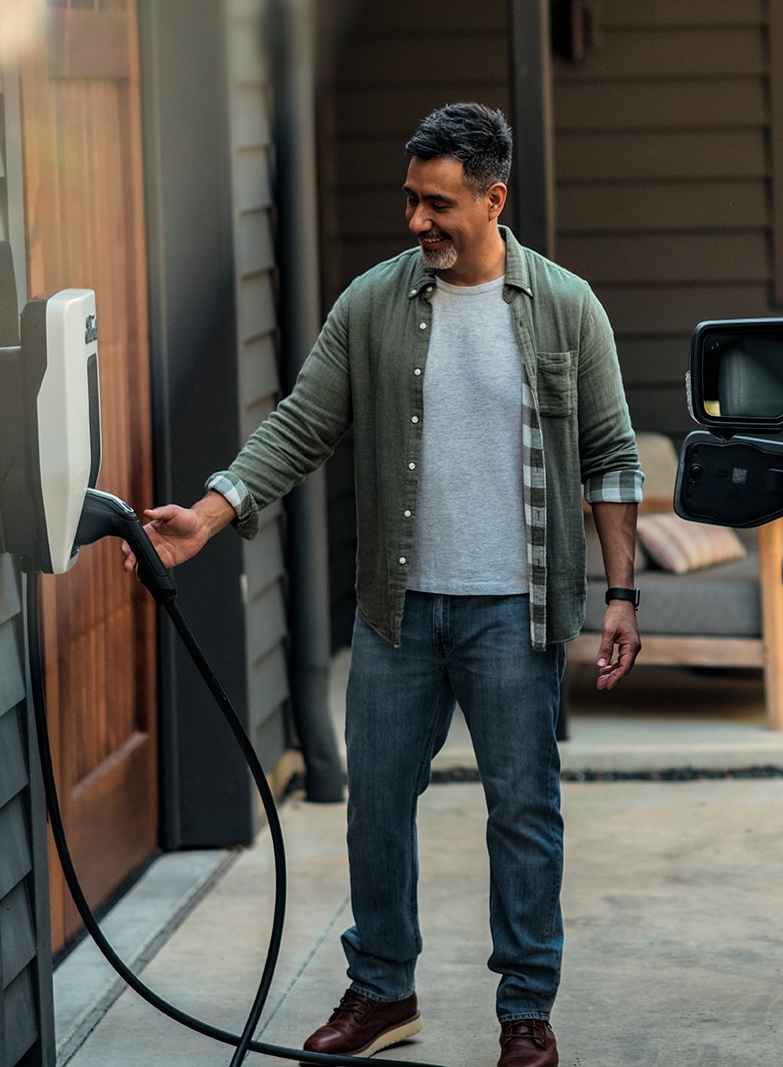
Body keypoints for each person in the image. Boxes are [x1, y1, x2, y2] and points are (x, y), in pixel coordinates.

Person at [130, 103, 643, 1067]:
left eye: (437, 203)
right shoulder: (371, 303)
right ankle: (382, 990)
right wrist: (209, 512)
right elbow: (298, 424)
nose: (416, 221)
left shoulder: (567, 307)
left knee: (522, 811)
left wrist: (621, 594)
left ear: (493, 200)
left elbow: (611, 455)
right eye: (409, 199)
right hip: (397, 608)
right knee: (375, 806)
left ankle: (525, 1010)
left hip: (515, 609)